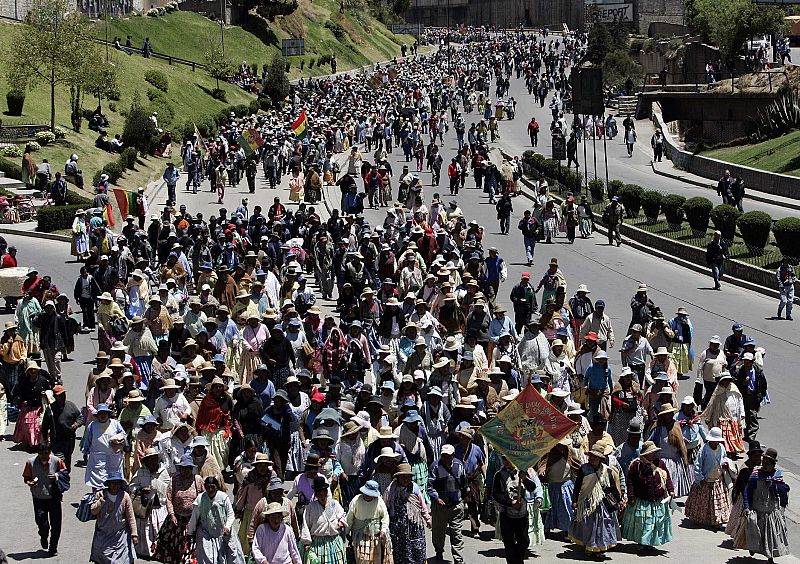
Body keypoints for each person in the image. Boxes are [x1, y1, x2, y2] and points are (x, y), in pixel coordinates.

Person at [568, 442, 622, 556]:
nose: (592, 458)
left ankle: (600, 547)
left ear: (600, 459)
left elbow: (612, 487)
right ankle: (589, 546)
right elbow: (577, 487)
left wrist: (619, 499)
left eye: (595, 457)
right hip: (587, 502)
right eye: (591, 456)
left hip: (602, 504)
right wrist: (574, 500)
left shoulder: (607, 471)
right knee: (588, 526)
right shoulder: (584, 469)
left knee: (601, 526)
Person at [621, 440, 674, 550]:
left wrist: (671, 490)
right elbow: (630, 482)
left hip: (657, 501)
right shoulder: (636, 465)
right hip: (642, 500)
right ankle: (642, 543)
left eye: (655, 452)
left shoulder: (660, 463)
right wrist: (630, 496)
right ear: (645, 454)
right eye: (652, 452)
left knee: (655, 523)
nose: (654, 454)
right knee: (644, 523)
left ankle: (650, 542)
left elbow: (667, 477)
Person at [492, 455, 544, 564]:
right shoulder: (499, 475)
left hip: (522, 514)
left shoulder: (523, 472)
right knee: (509, 542)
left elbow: (532, 487)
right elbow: (496, 494)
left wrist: (524, 479)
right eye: (504, 459)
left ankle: (518, 559)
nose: (506, 461)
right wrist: (510, 503)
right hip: (506, 514)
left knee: (524, 540)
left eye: (508, 458)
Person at [744, 447, 790, 561]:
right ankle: (753, 548)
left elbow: (784, 490)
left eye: (768, 464)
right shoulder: (755, 474)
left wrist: (774, 485)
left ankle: (770, 558)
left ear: (773, 465)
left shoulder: (777, 475)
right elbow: (747, 491)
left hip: (771, 511)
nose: (765, 465)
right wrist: (746, 506)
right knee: (756, 534)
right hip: (758, 510)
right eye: (764, 463)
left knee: (771, 537)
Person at [22, 442, 67, 557]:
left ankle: (53, 548)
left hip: (54, 497)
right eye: (41, 453)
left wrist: (57, 476)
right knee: (42, 523)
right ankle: (43, 535)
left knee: (56, 525)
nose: (43, 456)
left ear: (50, 452)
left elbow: (65, 474)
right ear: (38, 453)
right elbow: (26, 477)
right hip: (38, 498)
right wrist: (30, 482)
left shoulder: (57, 461)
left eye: (46, 453)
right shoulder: (30, 462)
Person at [188, 475, 245, 564]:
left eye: (213, 487)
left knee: (231, 557)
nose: (210, 490)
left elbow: (230, 514)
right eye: (208, 487)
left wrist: (227, 527)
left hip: (224, 532)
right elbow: (194, 517)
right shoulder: (200, 499)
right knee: (208, 559)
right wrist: (190, 532)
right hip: (207, 534)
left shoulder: (223, 497)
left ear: (217, 487)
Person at [383, 462, 430, 564]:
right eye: (403, 477)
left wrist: (427, 519)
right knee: (399, 553)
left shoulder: (415, 488)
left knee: (417, 550)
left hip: (414, 526)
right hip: (397, 528)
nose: (406, 479)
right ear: (398, 477)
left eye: (408, 477)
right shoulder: (391, 489)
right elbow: (385, 507)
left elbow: (422, 505)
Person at [684, 427, 731, 529]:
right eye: (714, 441)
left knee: (716, 503)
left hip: (717, 480)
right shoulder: (704, 449)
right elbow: (697, 465)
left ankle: (717, 521)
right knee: (702, 502)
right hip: (705, 481)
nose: (716, 443)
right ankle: (698, 518)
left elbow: (724, 458)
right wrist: (700, 479)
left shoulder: (721, 448)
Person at [427, 443, 466, 564]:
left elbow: (464, 483)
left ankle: (458, 559)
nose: (445, 458)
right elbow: (429, 486)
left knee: (457, 533)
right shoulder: (435, 466)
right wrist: (436, 498)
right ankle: (439, 550)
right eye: (443, 455)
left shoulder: (459, 465)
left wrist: (463, 499)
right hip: (440, 506)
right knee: (438, 532)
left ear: (453, 455)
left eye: (448, 455)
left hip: (456, 505)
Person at [89, 472, 138, 564]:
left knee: (122, 559)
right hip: (103, 535)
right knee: (101, 559)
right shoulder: (101, 494)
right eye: (113, 483)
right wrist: (101, 501)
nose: (115, 486)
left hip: (120, 535)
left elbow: (130, 517)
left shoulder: (125, 496)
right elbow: (93, 511)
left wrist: (134, 534)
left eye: (118, 483)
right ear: (108, 484)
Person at [129, 447, 169, 558]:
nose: (152, 462)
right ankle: (144, 552)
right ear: (146, 461)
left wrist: (156, 484)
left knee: (158, 529)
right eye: (149, 459)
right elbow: (131, 487)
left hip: (159, 507)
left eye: (154, 459)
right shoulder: (141, 472)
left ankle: (158, 551)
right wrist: (141, 490)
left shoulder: (163, 471)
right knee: (145, 529)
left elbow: (169, 488)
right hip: (145, 507)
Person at [300, 475, 347, 564]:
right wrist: (306, 542)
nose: (322, 497)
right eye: (319, 494)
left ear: (326, 492)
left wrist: (341, 521)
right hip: (317, 544)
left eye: (324, 493)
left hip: (333, 542)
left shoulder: (334, 504)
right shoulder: (311, 507)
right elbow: (305, 525)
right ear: (316, 494)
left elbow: (342, 514)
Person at [346, 480, 391, 564]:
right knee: (362, 559)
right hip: (360, 536)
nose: (367, 495)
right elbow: (349, 518)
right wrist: (347, 532)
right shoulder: (356, 500)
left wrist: (383, 530)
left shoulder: (379, 501)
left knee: (376, 559)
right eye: (366, 493)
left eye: (370, 494)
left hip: (375, 537)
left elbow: (385, 517)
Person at [41, 385, 81, 470]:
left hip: (69, 439)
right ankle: (58, 479)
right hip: (56, 440)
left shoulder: (71, 405)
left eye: (63, 394)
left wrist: (76, 424)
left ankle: (65, 478)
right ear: (55, 397)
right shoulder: (50, 409)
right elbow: (44, 426)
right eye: (60, 395)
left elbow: (80, 417)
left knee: (67, 460)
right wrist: (45, 440)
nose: (62, 397)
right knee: (59, 460)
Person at [733, 352, 767, 445]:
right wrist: (742, 383)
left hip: (753, 396)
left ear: (752, 362)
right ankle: (745, 434)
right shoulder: (739, 371)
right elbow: (734, 383)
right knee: (744, 415)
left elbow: (763, 384)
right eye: (745, 361)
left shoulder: (758, 371)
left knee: (753, 416)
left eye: (748, 361)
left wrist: (761, 396)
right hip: (743, 397)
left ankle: (751, 436)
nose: (746, 363)